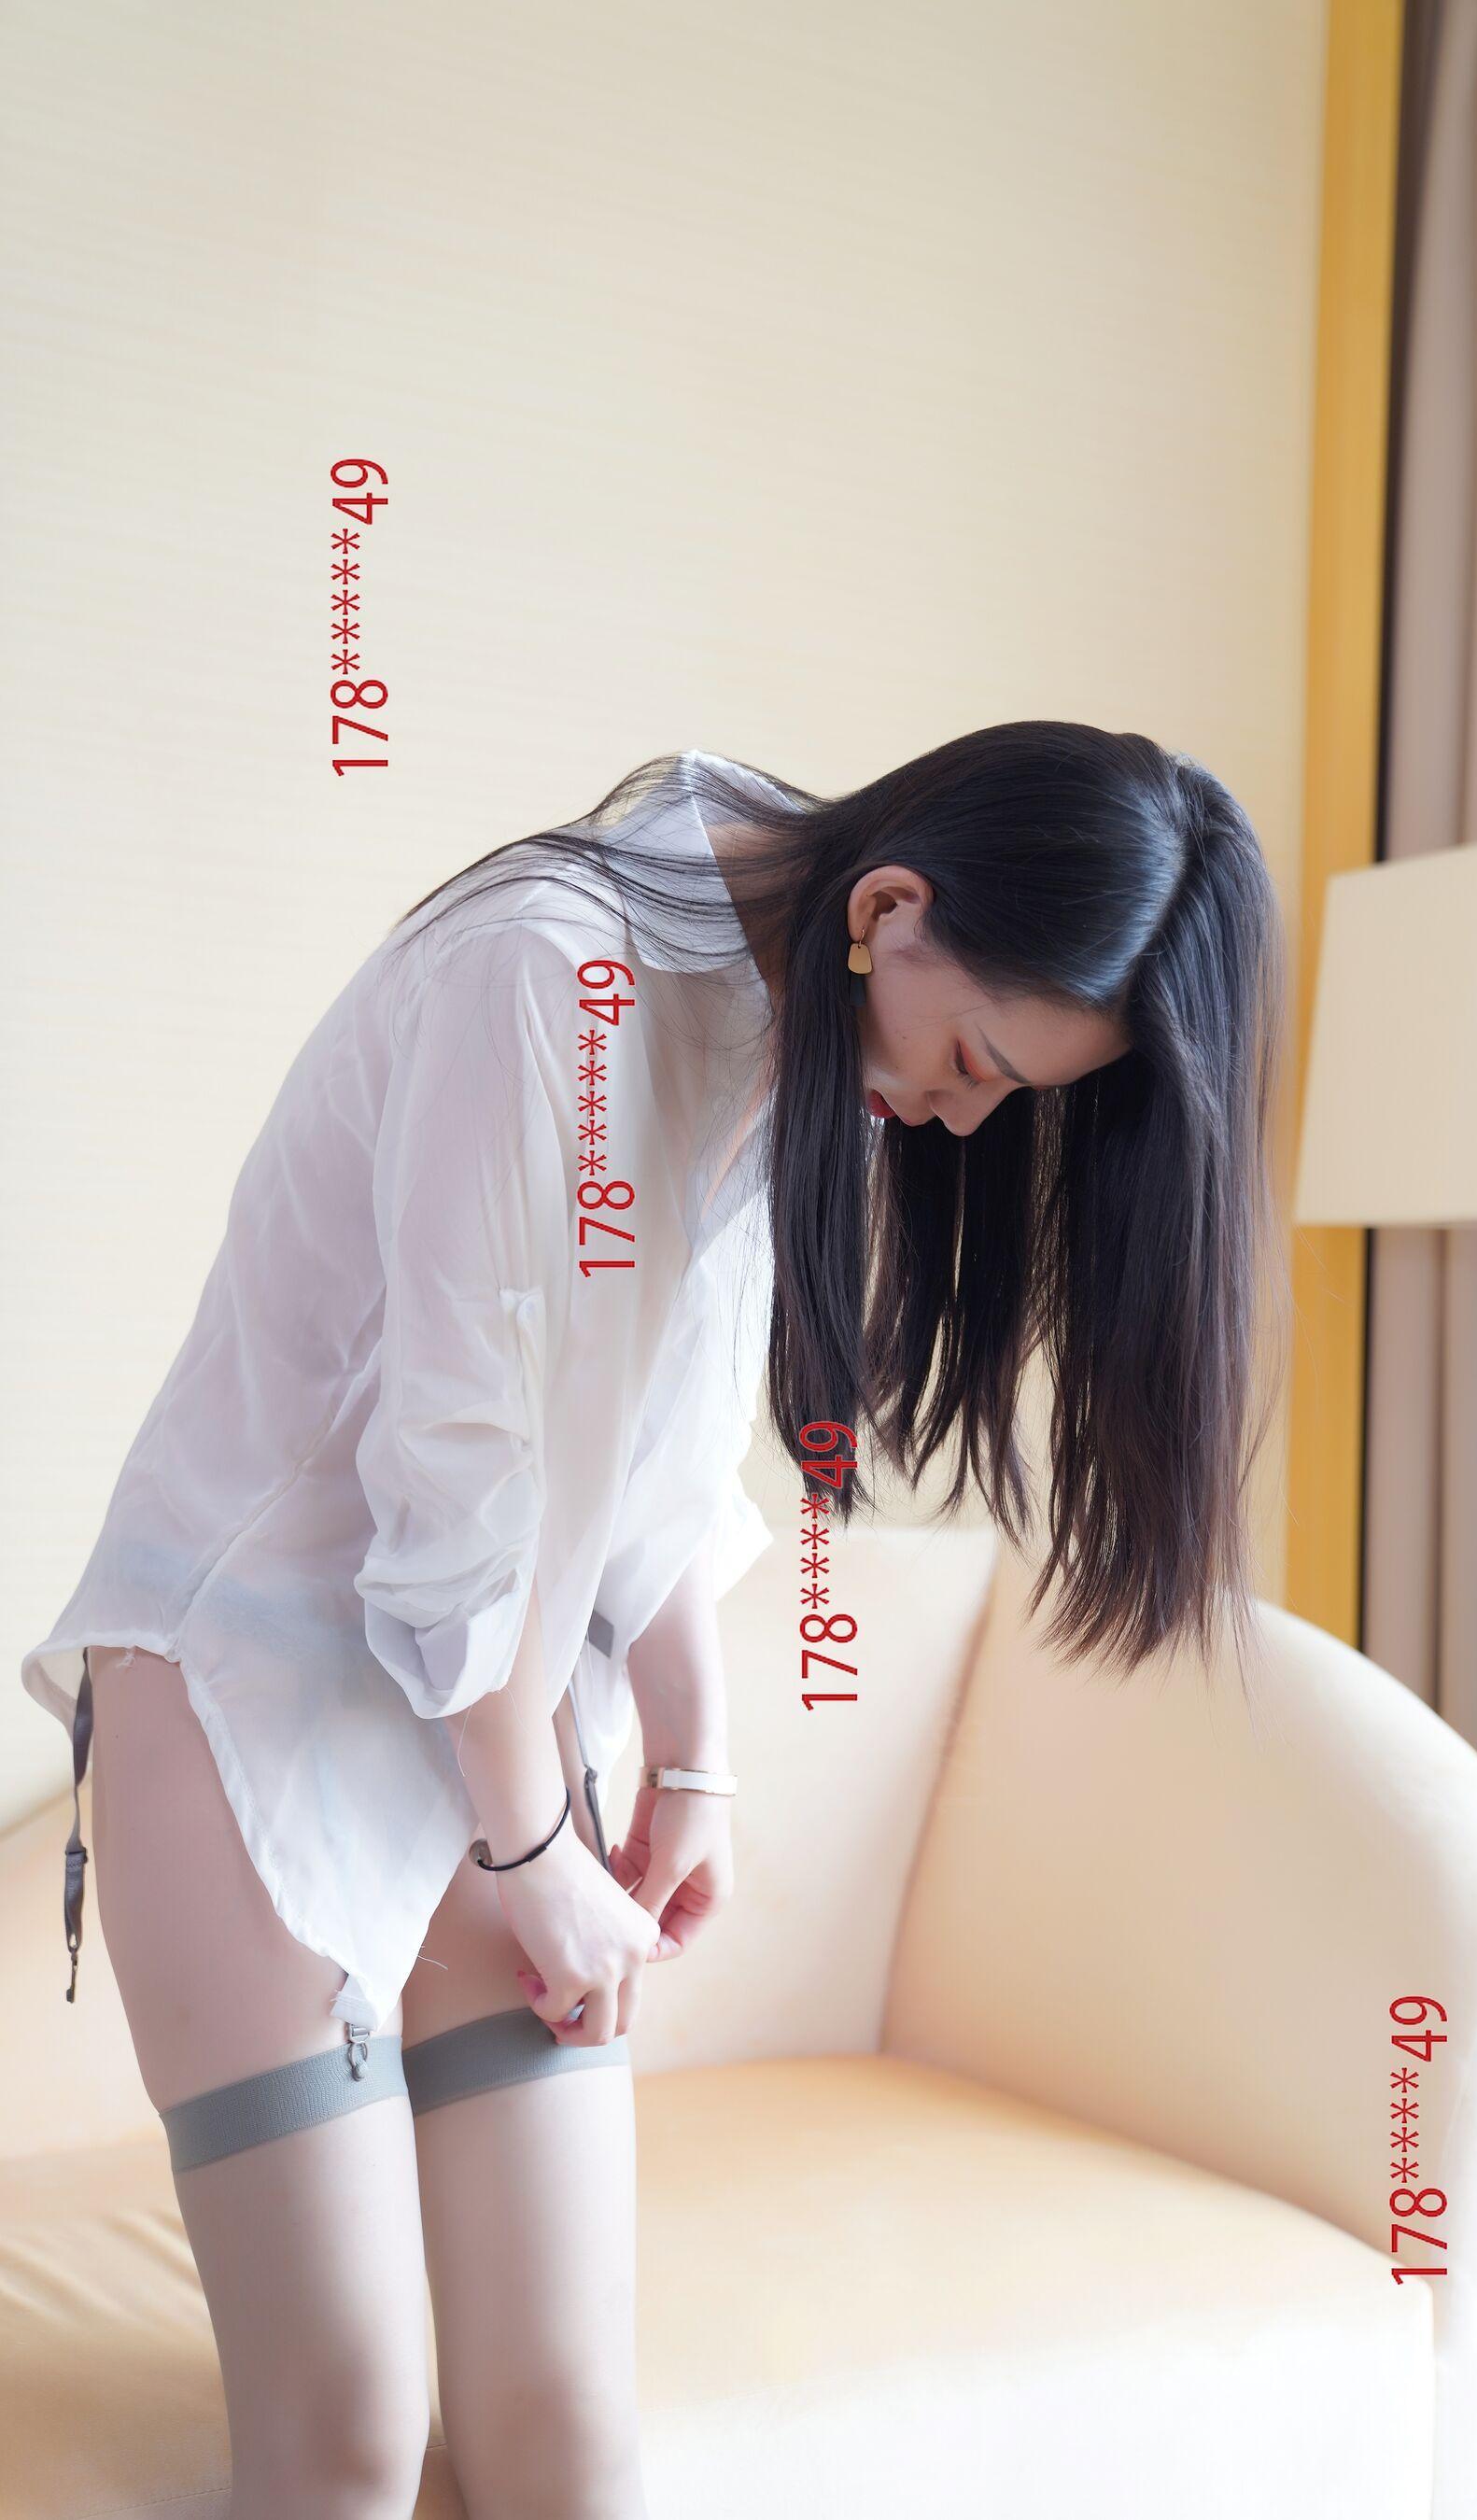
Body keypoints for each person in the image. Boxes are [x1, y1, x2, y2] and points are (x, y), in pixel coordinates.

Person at [20, 723, 1285, 2517]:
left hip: (496, 1719)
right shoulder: (550, 979)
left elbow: (651, 1453)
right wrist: (532, 1842)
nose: (963, 1116)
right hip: (255, 1702)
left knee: (564, 2433)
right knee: (348, 2433)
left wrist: (695, 1762)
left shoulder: (776, 1010)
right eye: (975, 1061)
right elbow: (458, 1475)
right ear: (893, 910)